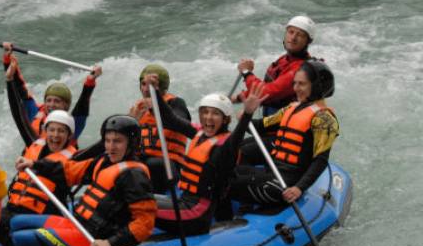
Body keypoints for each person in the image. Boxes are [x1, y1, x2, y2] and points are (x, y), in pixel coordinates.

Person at [11, 115, 155, 246]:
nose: (111, 147)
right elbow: (69, 171)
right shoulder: (104, 160)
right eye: (108, 141)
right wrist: (34, 164)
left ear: (131, 143)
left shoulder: (134, 175)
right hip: (77, 225)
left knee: (19, 238)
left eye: (117, 141)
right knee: (16, 222)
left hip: (91, 241)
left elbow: (145, 222)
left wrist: (109, 243)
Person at [151, 82, 268, 236]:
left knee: (137, 206)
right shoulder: (199, 133)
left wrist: (247, 114)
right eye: (205, 112)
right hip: (184, 202)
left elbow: (236, 139)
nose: (208, 117)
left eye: (215, 113)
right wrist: (156, 93)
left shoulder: (226, 146)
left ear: (225, 120)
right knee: (135, 197)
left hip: (196, 214)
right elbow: (170, 118)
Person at [230, 61, 338, 206]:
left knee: (223, 183)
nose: (296, 88)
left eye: (302, 84)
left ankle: (223, 218)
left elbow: (321, 160)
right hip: (271, 174)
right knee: (224, 170)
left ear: (317, 86)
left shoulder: (324, 119)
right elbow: (259, 127)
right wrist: (247, 114)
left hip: (284, 185)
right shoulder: (291, 108)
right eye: (295, 83)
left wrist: (299, 188)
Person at [3, 42, 101, 142]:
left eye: (57, 101)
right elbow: (19, 89)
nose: (51, 104)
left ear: (66, 105)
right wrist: (8, 58)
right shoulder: (35, 112)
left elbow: (82, 105)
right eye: (48, 100)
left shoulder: (73, 123)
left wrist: (90, 81)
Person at [232, 15, 316, 116]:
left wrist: (246, 73)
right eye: (291, 32)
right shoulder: (285, 59)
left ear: (308, 41)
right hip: (272, 120)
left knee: (242, 117)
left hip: (285, 124)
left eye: (300, 35)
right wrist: (237, 98)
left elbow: (266, 93)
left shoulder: (301, 70)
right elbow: (267, 87)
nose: (293, 38)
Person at [129, 63, 191, 192]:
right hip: (141, 160)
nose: (145, 89)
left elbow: (178, 123)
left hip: (167, 165)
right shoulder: (138, 108)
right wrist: (132, 121)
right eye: (143, 84)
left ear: (161, 87)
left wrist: (156, 107)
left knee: (153, 165)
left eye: (150, 85)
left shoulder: (176, 103)